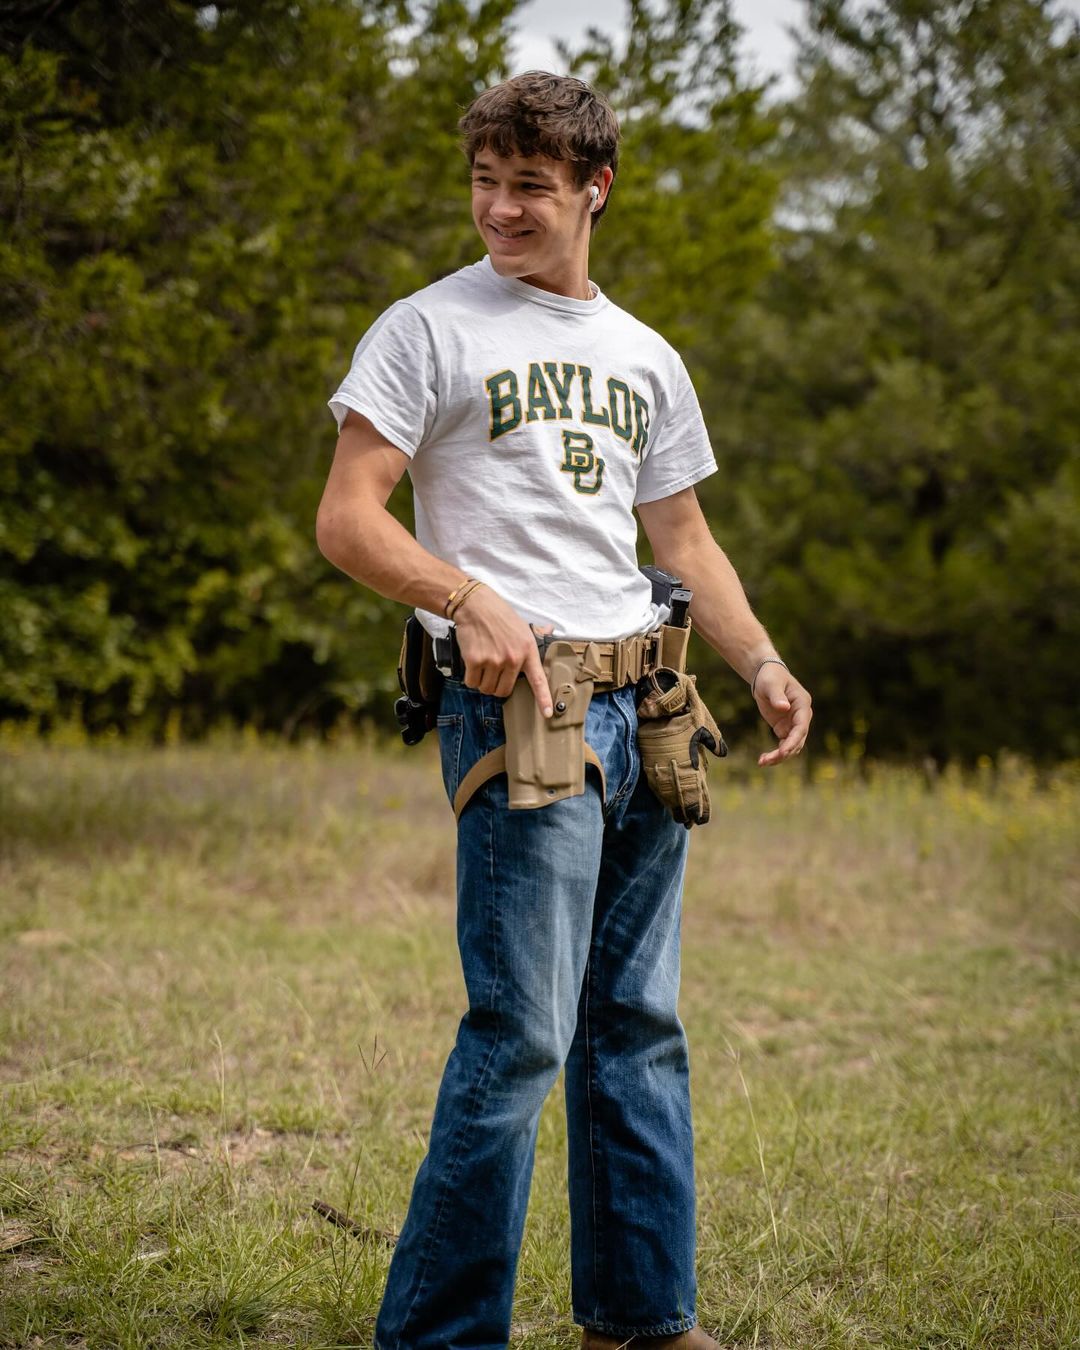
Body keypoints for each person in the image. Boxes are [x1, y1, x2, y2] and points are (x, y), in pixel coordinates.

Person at [316, 71, 811, 1350]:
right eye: (485, 182)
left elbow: (681, 537)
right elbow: (348, 518)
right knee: (523, 1036)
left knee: (638, 1026)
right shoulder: (426, 330)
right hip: (522, 710)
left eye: (529, 186)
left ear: (596, 188)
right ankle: (439, 1337)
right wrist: (461, 595)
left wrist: (759, 660)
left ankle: (642, 1321)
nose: (499, 209)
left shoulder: (644, 354)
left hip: (651, 706)